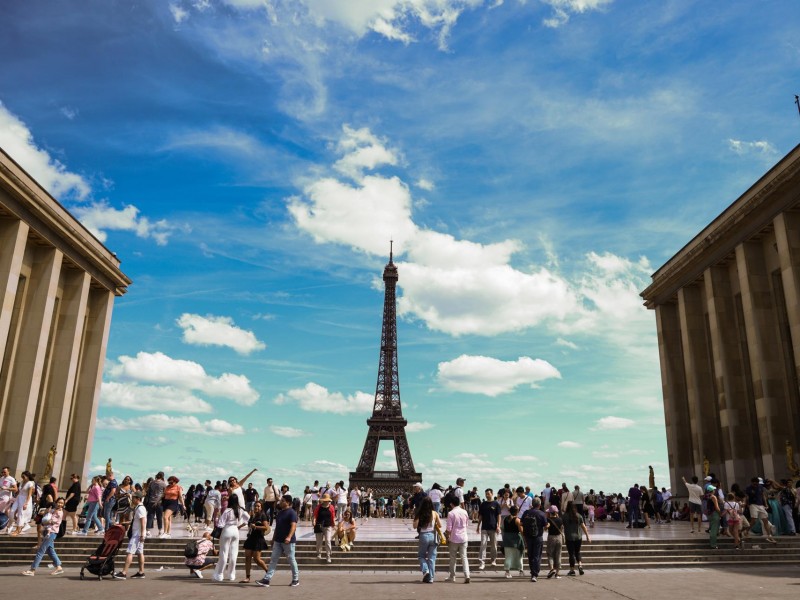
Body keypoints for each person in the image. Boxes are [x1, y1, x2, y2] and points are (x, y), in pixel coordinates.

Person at [257, 494, 299, 587]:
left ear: (287, 502)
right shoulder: (280, 513)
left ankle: (295, 579)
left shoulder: (292, 512)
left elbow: (293, 526)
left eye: (282, 501)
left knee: (291, 560)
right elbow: (277, 527)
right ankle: (267, 579)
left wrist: (289, 536)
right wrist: (273, 538)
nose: (280, 502)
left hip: (288, 541)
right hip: (278, 540)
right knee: (273, 560)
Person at [21, 496, 65, 576]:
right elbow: (44, 515)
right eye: (59, 502)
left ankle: (32, 569)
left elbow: (50, 521)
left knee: (41, 551)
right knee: (50, 550)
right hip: (47, 531)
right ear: (56, 502)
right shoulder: (53, 510)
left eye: (62, 503)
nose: (60, 504)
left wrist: (47, 517)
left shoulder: (60, 513)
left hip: (51, 533)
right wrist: (46, 512)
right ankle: (59, 567)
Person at [213, 492, 250, 582]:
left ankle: (220, 574)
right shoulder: (240, 510)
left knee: (224, 553)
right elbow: (248, 518)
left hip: (227, 530)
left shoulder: (227, 510)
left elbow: (220, 524)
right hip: (235, 531)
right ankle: (231, 575)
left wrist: (217, 520)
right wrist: (241, 525)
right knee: (234, 554)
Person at [113, 491, 147, 579]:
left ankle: (124, 572)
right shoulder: (138, 508)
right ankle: (141, 572)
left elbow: (143, 522)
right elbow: (136, 522)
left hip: (137, 535)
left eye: (134, 498)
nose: (132, 499)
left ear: (138, 499)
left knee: (129, 552)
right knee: (140, 553)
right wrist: (124, 523)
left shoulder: (140, 509)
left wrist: (142, 534)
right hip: (139, 534)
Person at [413, 496, 441, 583]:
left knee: (421, 556)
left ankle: (426, 571)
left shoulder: (420, 513)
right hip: (433, 536)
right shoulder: (435, 513)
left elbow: (414, 526)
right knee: (432, 558)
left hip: (423, 535)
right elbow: (440, 525)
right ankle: (431, 578)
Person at [444, 494, 470, 583]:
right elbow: (466, 525)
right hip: (463, 537)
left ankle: (452, 576)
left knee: (453, 558)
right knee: (464, 557)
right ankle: (467, 575)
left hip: (454, 538)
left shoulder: (451, 513)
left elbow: (449, 528)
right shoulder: (465, 512)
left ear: (451, 504)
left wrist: (447, 537)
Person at [242, 500, 269, 583]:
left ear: (261, 508)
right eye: (255, 506)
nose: (256, 507)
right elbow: (249, 525)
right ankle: (247, 577)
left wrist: (256, 527)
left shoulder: (263, 516)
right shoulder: (252, 515)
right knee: (247, 557)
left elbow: (266, 527)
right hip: (251, 538)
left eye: (258, 506)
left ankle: (268, 572)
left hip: (258, 538)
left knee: (257, 559)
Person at [521, 497, 547, 582]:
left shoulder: (526, 512)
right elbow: (545, 526)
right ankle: (535, 574)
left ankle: (532, 571)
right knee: (537, 555)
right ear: (539, 505)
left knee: (530, 555)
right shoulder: (542, 514)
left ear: (532, 504)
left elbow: (521, 523)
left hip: (528, 537)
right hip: (538, 537)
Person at [563, 501, 590, 575]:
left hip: (569, 537)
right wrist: (587, 536)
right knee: (577, 552)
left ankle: (572, 570)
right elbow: (583, 527)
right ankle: (580, 565)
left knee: (571, 554)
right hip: (578, 537)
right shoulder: (579, 516)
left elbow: (561, 527)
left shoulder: (565, 516)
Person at [745, 477, 776, 543]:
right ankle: (746, 530)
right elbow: (747, 497)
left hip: (760, 505)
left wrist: (765, 504)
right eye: (754, 484)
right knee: (754, 520)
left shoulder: (760, 487)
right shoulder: (748, 488)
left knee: (765, 520)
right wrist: (747, 504)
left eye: (756, 484)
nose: (755, 485)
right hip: (753, 504)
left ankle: (769, 535)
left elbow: (763, 495)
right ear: (752, 483)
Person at [477, 488, 500, 570]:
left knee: (494, 545)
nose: (487, 495)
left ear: (492, 494)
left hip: (493, 527)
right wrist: (478, 526)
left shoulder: (496, 504)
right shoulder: (483, 504)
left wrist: (498, 526)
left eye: (488, 494)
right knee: (483, 544)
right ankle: (482, 562)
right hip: (484, 528)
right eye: (486, 494)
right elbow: (480, 516)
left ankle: (493, 560)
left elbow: (498, 515)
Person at [10, 470, 35, 536]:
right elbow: (19, 491)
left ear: (27, 476)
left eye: (23, 476)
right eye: (22, 476)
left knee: (21, 514)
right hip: (19, 498)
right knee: (12, 511)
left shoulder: (30, 483)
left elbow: (29, 495)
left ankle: (18, 529)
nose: (22, 477)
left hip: (25, 499)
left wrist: (26, 503)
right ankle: (15, 526)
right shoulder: (21, 482)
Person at [502, 505, 524, 578]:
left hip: (507, 539)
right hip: (516, 540)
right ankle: (520, 571)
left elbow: (503, 528)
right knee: (519, 555)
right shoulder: (517, 520)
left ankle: (507, 572)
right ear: (517, 512)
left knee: (508, 556)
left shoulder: (505, 519)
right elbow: (521, 530)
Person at [313, 493, 336, 563]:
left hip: (328, 526)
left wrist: (334, 524)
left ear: (329, 501)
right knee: (319, 542)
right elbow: (315, 516)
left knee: (328, 541)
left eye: (327, 501)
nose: (326, 502)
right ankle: (319, 553)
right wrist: (314, 522)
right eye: (325, 500)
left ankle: (328, 555)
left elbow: (333, 516)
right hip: (319, 526)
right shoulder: (318, 507)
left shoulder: (331, 507)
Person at [545, 505, 564, 579]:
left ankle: (552, 569)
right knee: (558, 554)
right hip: (559, 538)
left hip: (551, 537)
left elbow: (545, 529)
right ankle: (557, 573)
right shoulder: (560, 520)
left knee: (550, 554)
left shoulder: (548, 520)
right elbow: (562, 529)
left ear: (550, 512)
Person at [144, 471, 165, 536]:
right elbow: (164, 493)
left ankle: (148, 530)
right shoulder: (163, 483)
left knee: (150, 516)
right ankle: (160, 530)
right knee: (159, 516)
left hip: (151, 501)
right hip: (159, 502)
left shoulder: (151, 483)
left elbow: (148, 492)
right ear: (162, 476)